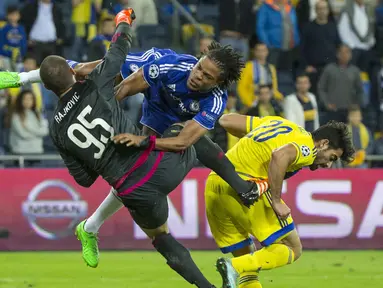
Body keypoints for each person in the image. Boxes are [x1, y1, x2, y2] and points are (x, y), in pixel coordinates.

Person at [0, 35, 263, 268]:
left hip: (170, 119)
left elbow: (185, 141)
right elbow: (121, 90)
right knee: (85, 71)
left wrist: (142, 142)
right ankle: (21, 77)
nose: (198, 75)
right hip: (154, 89)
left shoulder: (215, 100)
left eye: (207, 76)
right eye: (199, 67)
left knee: (135, 172)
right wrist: (97, 110)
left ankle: (90, 227)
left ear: (218, 82)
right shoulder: (170, 65)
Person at [41, 9, 216, 288]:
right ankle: (239, 185)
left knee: (162, 238)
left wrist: (100, 160)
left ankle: (206, 287)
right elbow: (119, 49)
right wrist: (124, 19)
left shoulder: (57, 130)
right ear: (73, 73)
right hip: (152, 167)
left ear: (49, 90)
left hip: (130, 191)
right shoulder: (95, 85)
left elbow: (84, 179)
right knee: (184, 131)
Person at [204, 114, 355, 288]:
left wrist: (253, 147)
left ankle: (236, 268)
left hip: (216, 183)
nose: (328, 165)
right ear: (323, 144)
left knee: (248, 263)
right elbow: (279, 156)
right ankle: (232, 267)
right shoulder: (308, 146)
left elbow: (226, 121)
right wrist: (276, 201)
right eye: (332, 158)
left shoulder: (278, 123)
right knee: (292, 248)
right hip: (245, 186)